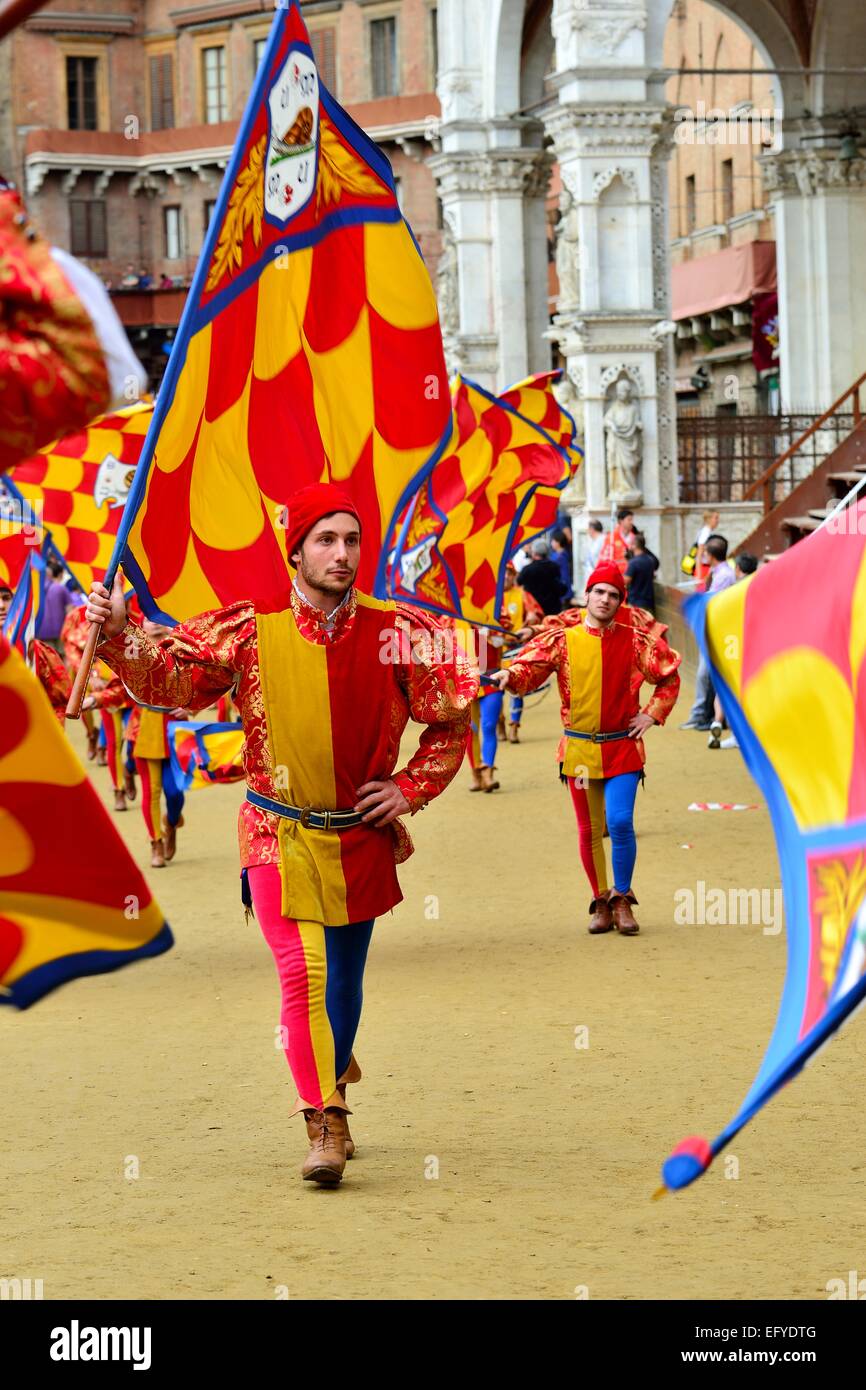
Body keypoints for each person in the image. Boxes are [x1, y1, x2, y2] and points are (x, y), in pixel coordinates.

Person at [85, 483, 476, 1187]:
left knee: (345, 988)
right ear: (294, 550)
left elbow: (450, 717)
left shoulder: (398, 630)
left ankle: (336, 1068)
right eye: (325, 540)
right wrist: (117, 632)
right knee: (305, 973)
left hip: (359, 834)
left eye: (352, 539)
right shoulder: (248, 628)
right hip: (276, 828)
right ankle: (324, 1120)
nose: (342, 553)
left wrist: (411, 787)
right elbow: (172, 684)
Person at [489, 561, 681, 936]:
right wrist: (508, 675)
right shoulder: (562, 639)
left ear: (619, 601)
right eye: (599, 592)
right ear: (587, 596)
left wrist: (650, 715)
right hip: (577, 751)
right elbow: (529, 668)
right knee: (589, 830)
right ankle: (601, 901)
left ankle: (623, 898)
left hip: (623, 748)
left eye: (613, 595)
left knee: (621, 822)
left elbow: (667, 678)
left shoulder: (636, 640)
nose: (605, 599)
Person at [679, 533, 737, 731]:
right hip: (715, 628)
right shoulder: (720, 573)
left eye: (705, 553)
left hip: (718, 630)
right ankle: (702, 715)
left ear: (710, 555)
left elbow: (711, 602)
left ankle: (702, 716)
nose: (702, 556)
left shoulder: (724, 575)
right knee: (706, 674)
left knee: (706, 674)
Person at [708, 551, 758, 750]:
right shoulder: (759, 587)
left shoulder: (733, 590)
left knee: (727, 688)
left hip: (733, 644)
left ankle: (720, 723)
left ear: (738, 569)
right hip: (751, 645)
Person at [500, 560, 543, 743]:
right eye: (504, 572)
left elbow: (537, 614)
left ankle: (514, 727)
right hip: (495, 649)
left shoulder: (523, 595)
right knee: (494, 692)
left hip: (516, 648)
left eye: (510, 573)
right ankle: (499, 724)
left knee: (516, 688)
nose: (507, 576)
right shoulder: (490, 598)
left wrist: (533, 618)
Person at [35, 558, 75, 654]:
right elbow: (71, 611)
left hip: (41, 632)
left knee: (48, 660)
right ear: (60, 574)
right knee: (63, 658)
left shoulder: (37, 589)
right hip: (61, 631)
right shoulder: (61, 588)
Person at [518, 537, 563, 615]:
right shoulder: (554, 567)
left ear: (534, 553)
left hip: (534, 611)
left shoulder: (527, 569)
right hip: (553, 609)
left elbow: (518, 583)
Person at [624, 531, 658, 614]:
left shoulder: (633, 562)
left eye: (631, 544)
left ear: (634, 545)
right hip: (649, 603)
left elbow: (625, 581)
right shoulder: (650, 560)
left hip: (636, 603)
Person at [599, 507, 635, 575]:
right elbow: (604, 559)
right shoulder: (611, 537)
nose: (632, 522)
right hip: (616, 575)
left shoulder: (634, 537)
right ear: (621, 521)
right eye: (629, 519)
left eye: (632, 520)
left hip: (631, 576)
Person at [694, 510, 720, 585]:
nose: (718, 521)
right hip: (703, 568)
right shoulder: (705, 533)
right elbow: (699, 554)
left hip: (706, 567)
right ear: (709, 519)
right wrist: (699, 575)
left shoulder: (707, 532)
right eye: (716, 518)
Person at [551, 529, 573, 605]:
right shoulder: (557, 554)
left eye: (553, 541)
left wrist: (565, 594)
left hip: (562, 592)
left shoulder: (561, 557)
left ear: (558, 542)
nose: (551, 543)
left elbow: (564, 576)